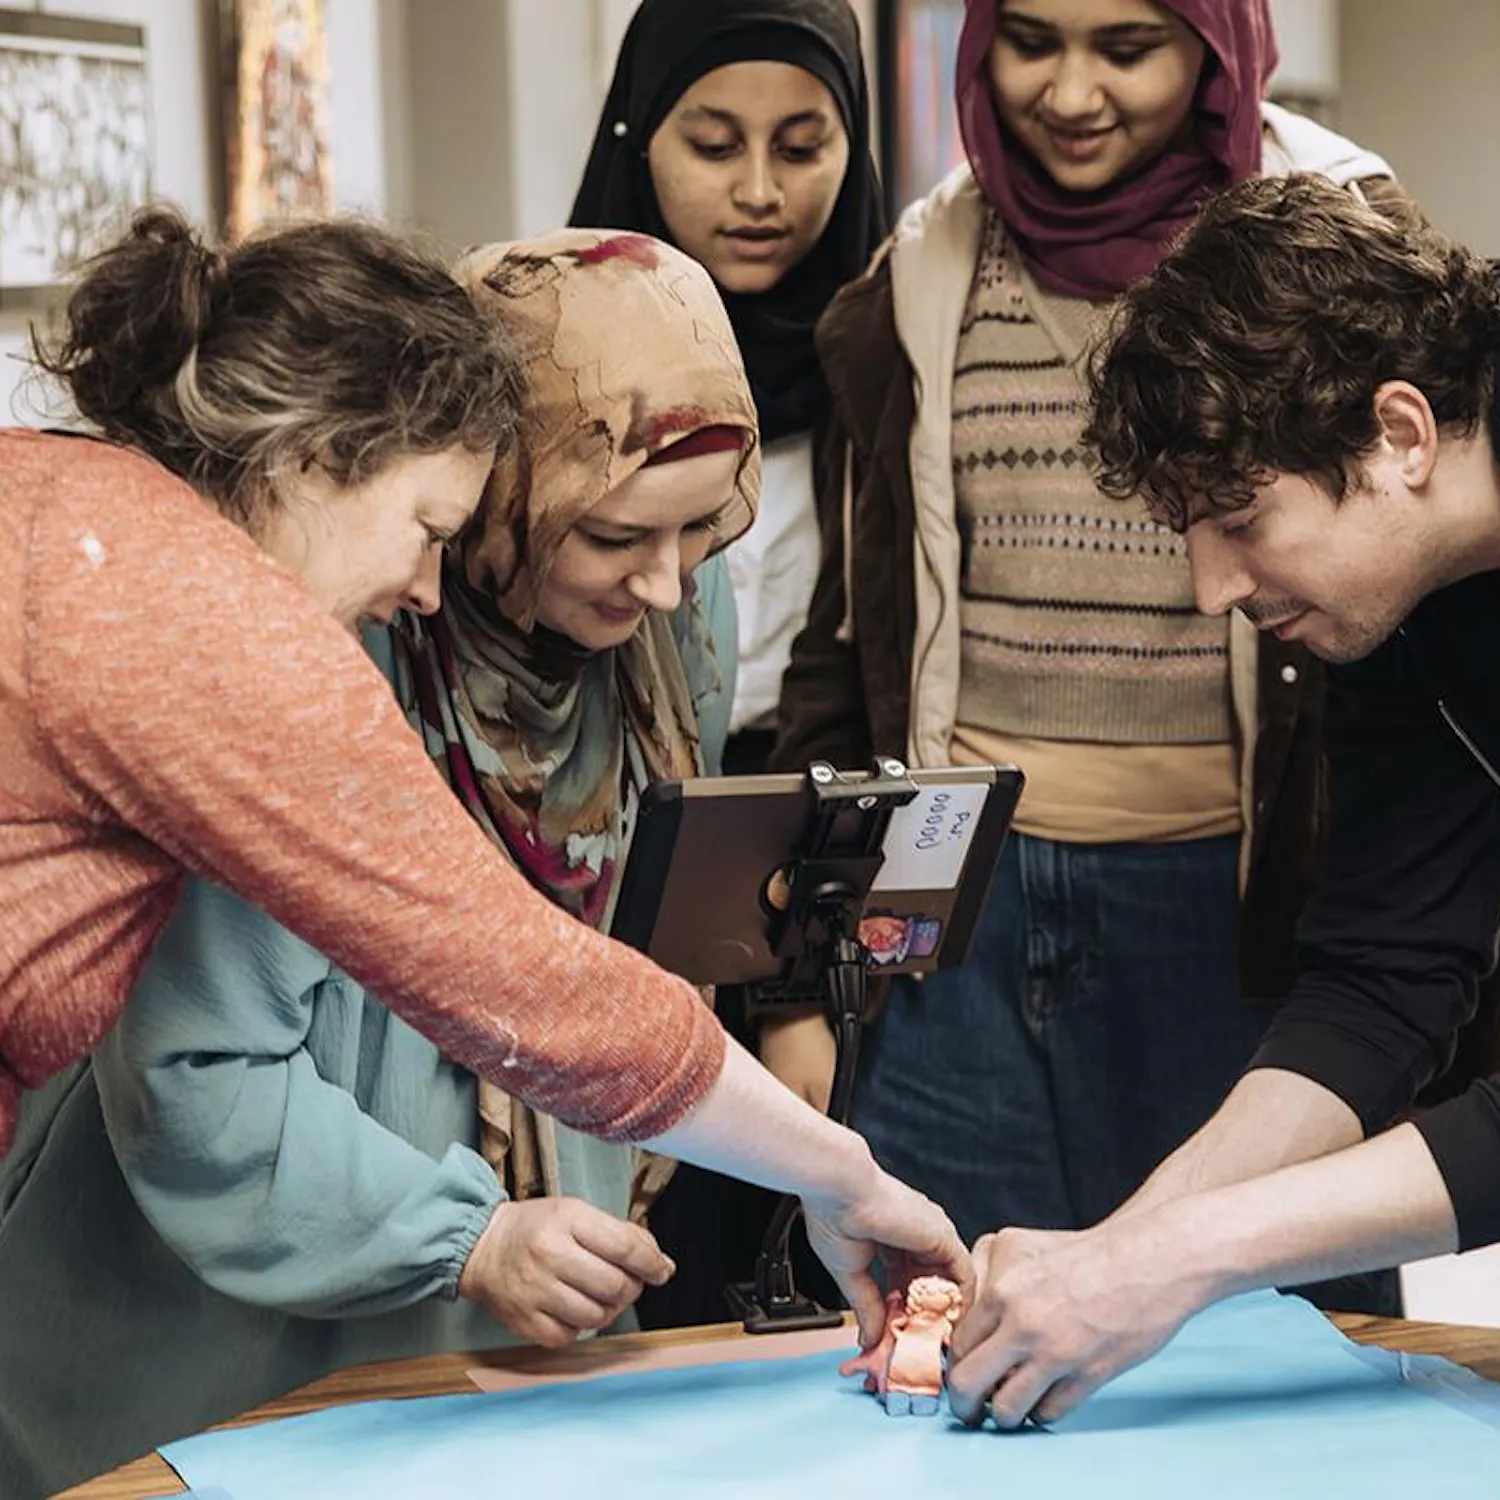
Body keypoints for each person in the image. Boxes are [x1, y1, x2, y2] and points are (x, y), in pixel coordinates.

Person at [0, 206, 968, 1411]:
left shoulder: (66, 505)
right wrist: (847, 1179)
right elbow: (525, 987)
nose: (422, 585)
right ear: (312, 460)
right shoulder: (225, 635)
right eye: (426, 532)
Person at [770, 0, 1404, 1292]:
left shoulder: (1347, 242)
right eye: (1032, 41)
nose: (1069, 92)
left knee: (1265, 1352)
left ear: (1217, 49)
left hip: (1239, 911)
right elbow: (853, 646)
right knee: (953, 1328)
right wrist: (800, 971)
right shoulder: (918, 274)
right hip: (964, 916)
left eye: (1127, 48)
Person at [944, 172, 1500, 1429]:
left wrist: (1177, 1262)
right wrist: (1117, 1253)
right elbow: (1383, 980)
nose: (1211, 592)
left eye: (1243, 520)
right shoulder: (1395, 600)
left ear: (1400, 435)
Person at [571, 0, 886, 1324]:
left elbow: (872, 693)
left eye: (804, 145)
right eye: (712, 142)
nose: (759, 191)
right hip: (600, 874)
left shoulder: (887, 359)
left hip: (830, 884)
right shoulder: (557, 353)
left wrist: (798, 983)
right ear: (643, 139)